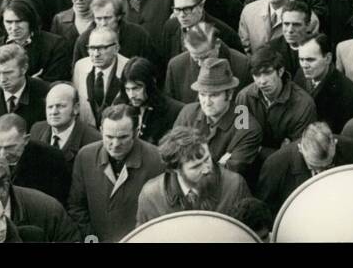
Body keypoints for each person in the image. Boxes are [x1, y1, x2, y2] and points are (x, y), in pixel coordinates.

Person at [66, 102, 164, 242]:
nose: (116, 144)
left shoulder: (157, 160)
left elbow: (162, 214)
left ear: (136, 132)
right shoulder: (85, 156)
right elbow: (76, 207)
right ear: (100, 130)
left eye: (123, 137)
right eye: (109, 137)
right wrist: (91, 239)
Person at [135, 123, 254, 220]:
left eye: (207, 159)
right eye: (196, 166)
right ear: (174, 169)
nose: (207, 169)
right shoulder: (151, 196)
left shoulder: (235, 186)